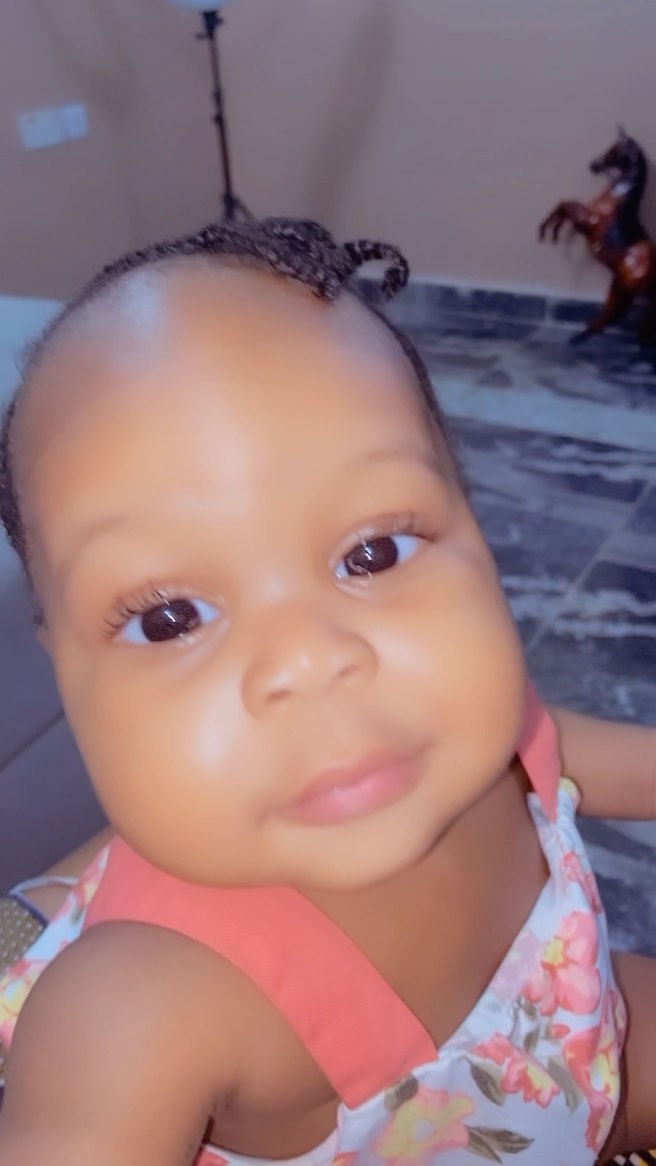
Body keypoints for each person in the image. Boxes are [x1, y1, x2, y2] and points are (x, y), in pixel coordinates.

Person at [0, 216, 654, 1164]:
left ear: (474, 529)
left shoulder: (496, 740)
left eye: (373, 551)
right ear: (63, 669)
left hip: (577, 1058)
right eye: (170, 617)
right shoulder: (136, 1016)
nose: (308, 658)